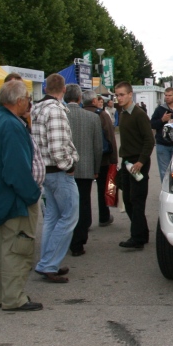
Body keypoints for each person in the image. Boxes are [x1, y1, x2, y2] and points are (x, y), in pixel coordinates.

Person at [0, 80, 43, 312]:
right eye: (28, 99)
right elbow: (16, 169)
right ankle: (14, 298)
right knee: (17, 248)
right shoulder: (12, 126)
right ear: (19, 100)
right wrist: (32, 195)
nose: (29, 104)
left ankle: (3, 295)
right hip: (14, 200)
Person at [31, 73, 78, 283]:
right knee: (69, 217)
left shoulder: (36, 108)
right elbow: (58, 147)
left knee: (52, 217)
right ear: (63, 90)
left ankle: (47, 261)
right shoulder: (55, 110)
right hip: (58, 172)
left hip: (43, 171)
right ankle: (48, 264)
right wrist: (69, 165)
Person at [64, 85, 103, 257]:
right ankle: (79, 243)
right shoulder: (92, 117)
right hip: (86, 168)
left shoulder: (61, 116)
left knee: (65, 206)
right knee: (84, 203)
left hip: (64, 168)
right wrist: (96, 169)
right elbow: (98, 147)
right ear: (80, 98)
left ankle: (65, 240)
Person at [114, 81, 154, 250]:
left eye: (122, 94)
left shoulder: (139, 114)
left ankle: (137, 238)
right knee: (127, 199)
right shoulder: (123, 113)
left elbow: (149, 139)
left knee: (136, 200)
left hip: (138, 162)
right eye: (117, 95)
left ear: (130, 94)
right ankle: (142, 233)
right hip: (127, 161)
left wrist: (141, 161)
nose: (119, 98)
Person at [85, 92, 117, 227]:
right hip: (103, 159)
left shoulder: (78, 114)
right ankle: (104, 217)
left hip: (85, 159)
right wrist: (114, 159)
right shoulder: (101, 114)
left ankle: (85, 221)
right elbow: (110, 137)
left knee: (84, 192)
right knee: (103, 188)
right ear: (93, 101)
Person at [150, 86, 173, 181]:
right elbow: (152, 124)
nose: (167, 97)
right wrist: (162, 120)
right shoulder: (160, 109)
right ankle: (166, 190)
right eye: (166, 95)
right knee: (164, 171)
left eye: (169, 95)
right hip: (163, 144)